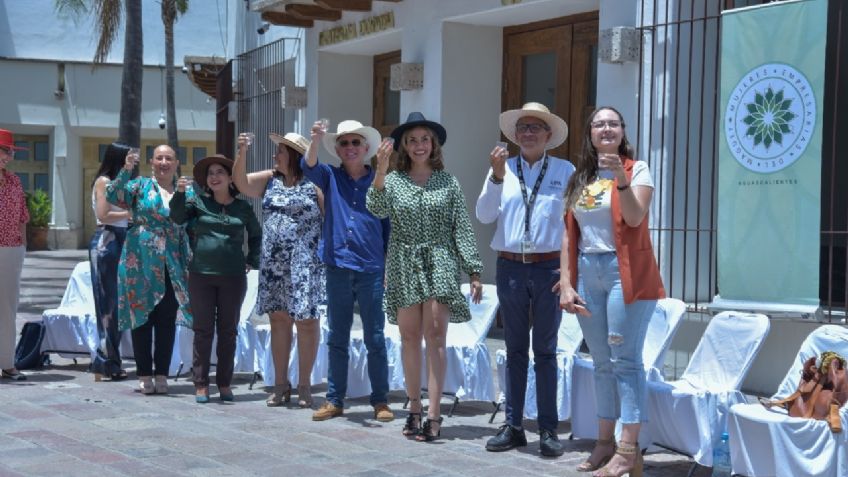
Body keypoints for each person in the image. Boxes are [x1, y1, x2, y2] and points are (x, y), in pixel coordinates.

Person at [559, 106, 665, 477]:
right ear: (590, 133)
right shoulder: (580, 177)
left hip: (627, 275)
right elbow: (568, 233)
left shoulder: (638, 169)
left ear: (622, 131)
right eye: (599, 123)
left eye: (613, 123)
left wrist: (620, 176)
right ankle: (604, 442)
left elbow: (636, 217)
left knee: (626, 361)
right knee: (601, 362)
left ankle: (627, 448)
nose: (606, 128)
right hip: (589, 272)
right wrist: (567, 282)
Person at [367, 112, 483, 441]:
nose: (419, 145)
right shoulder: (393, 180)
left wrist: (473, 269)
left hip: (440, 260)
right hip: (403, 261)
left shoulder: (448, 181)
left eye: (425, 139)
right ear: (404, 145)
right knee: (408, 338)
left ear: (434, 145)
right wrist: (380, 169)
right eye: (413, 140)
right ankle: (413, 407)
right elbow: (375, 209)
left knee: (435, 339)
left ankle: (434, 413)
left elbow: (461, 225)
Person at [477, 102, 574, 457]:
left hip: (548, 267)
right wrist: (497, 176)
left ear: (549, 135)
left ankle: (548, 429)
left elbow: (572, 226)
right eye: (523, 127)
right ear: (514, 135)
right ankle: (514, 425)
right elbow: (485, 214)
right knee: (515, 349)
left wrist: (568, 276)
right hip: (512, 267)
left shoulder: (565, 170)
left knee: (545, 351)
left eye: (536, 127)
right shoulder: (502, 169)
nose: (529, 133)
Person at [303, 119, 394, 423]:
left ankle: (380, 400)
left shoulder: (381, 181)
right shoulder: (329, 176)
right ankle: (334, 399)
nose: (351, 148)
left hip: (370, 267)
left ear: (366, 149)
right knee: (337, 336)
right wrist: (315, 139)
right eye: (344, 143)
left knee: (376, 338)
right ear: (338, 150)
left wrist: (388, 266)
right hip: (338, 266)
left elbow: (388, 228)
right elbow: (308, 166)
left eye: (356, 143)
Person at [231, 131, 325, 408]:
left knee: (307, 323)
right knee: (279, 322)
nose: (276, 154)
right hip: (275, 265)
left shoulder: (314, 184)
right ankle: (281, 384)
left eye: (281, 150)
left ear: (295, 156)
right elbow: (241, 183)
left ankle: (305, 385)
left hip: (305, 264)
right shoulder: (271, 179)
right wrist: (242, 153)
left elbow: (329, 218)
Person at [170, 154, 261, 403]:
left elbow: (256, 235)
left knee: (228, 331)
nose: (215, 177)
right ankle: (201, 383)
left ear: (231, 178)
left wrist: (252, 260)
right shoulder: (197, 202)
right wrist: (179, 193)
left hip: (233, 276)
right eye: (210, 173)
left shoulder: (243, 207)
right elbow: (176, 217)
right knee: (203, 331)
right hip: (201, 275)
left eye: (220, 172)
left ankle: (224, 383)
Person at [106, 145, 193, 395]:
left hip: (172, 261)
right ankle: (144, 373)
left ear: (177, 163)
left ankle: (162, 374)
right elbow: (112, 195)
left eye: (169, 158)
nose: (164, 162)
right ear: (151, 162)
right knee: (141, 317)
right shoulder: (140, 186)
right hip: (140, 259)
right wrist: (126, 169)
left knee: (166, 319)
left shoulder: (185, 189)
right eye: (159, 158)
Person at [89, 143, 133, 381]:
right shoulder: (104, 182)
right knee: (108, 303)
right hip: (108, 239)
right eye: (129, 158)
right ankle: (106, 361)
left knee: (119, 304)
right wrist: (130, 213)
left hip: (121, 238)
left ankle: (110, 360)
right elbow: (104, 214)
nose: (133, 162)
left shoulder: (121, 183)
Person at [0, 129, 29, 381]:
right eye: (5, 150)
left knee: (8, 307)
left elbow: (22, 215)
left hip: (11, 249)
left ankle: (7, 362)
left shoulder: (14, 181)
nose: (8, 156)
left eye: (9, 152)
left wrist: (23, 246)